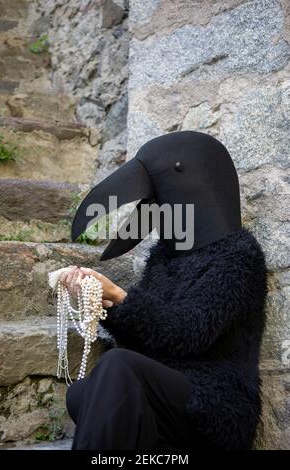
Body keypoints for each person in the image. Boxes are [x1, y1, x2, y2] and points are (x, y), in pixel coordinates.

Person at [61, 131, 268, 450]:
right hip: (167, 393)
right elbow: (146, 337)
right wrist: (104, 304)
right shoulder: (162, 257)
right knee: (83, 393)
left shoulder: (238, 255)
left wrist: (119, 296)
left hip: (214, 404)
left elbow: (188, 332)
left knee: (116, 368)